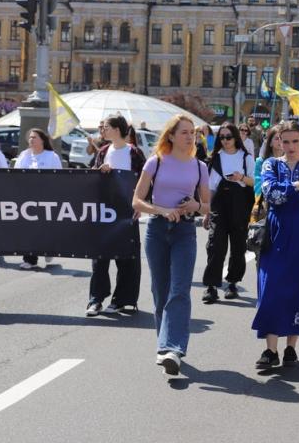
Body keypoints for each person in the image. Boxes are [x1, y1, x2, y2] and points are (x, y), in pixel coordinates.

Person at [131, 114, 210, 376]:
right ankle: (164, 348)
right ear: (171, 136)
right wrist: (163, 210)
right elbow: (137, 201)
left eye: (193, 133)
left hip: (185, 231)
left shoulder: (200, 167)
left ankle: (172, 349)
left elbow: (207, 206)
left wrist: (195, 206)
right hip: (156, 229)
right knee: (160, 291)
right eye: (185, 132)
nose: (190, 137)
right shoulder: (156, 162)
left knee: (180, 290)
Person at [253, 120, 299, 368]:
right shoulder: (271, 165)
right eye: (286, 141)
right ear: (278, 142)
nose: (291, 146)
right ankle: (270, 351)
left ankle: (291, 348)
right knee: (271, 288)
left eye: (296, 141)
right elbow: (273, 195)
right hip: (276, 231)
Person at [86, 115, 145, 316]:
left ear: (118, 129)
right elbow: (92, 178)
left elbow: (145, 181)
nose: (103, 130)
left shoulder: (134, 153)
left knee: (126, 257)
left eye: (107, 127)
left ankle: (121, 300)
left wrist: (141, 204)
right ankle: (96, 299)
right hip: (105, 211)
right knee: (99, 257)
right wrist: (99, 171)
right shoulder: (103, 151)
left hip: (127, 211)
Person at [202, 122, 255, 304]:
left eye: (229, 137)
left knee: (238, 245)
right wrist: (207, 212)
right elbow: (210, 188)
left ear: (235, 137)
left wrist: (240, 177)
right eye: (222, 137)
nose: (225, 141)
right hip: (219, 204)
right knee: (215, 244)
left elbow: (254, 182)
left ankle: (232, 282)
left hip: (240, 203)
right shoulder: (216, 157)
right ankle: (211, 286)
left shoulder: (245, 157)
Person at [14, 128, 63, 270]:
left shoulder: (51, 156)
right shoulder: (23, 155)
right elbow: (15, 175)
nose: (31, 139)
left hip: (45, 197)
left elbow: (59, 177)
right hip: (26, 198)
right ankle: (30, 259)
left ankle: (48, 248)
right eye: (29, 137)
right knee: (29, 228)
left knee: (44, 227)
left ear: (42, 140)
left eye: (34, 137)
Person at [254, 125, 281, 196]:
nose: (280, 141)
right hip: (265, 201)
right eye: (277, 138)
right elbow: (257, 186)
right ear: (270, 143)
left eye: (282, 138)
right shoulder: (260, 162)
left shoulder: (290, 162)